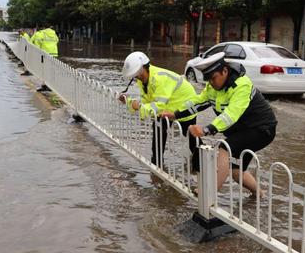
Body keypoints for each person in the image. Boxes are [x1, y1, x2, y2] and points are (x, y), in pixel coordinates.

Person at [161, 52, 277, 196]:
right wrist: (175, 114)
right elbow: (198, 102)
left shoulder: (242, 85)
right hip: (243, 130)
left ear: (225, 71)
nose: (211, 83)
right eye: (208, 80)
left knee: (225, 147)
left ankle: (209, 194)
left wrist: (206, 129)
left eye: (214, 78)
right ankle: (259, 195)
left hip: (261, 129)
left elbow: (231, 114)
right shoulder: (213, 87)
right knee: (236, 171)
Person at [118, 51, 198, 168]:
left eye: (140, 74)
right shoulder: (143, 81)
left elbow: (157, 106)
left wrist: (138, 106)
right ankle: (157, 165)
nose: (139, 77)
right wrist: (129, 102)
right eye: (136, 75)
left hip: (185, 106)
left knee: (192, 137)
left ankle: (201, 164)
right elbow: (147, 103)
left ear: (146, 68)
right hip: (168, 108)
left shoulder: (159, 78)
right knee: (158, 129)